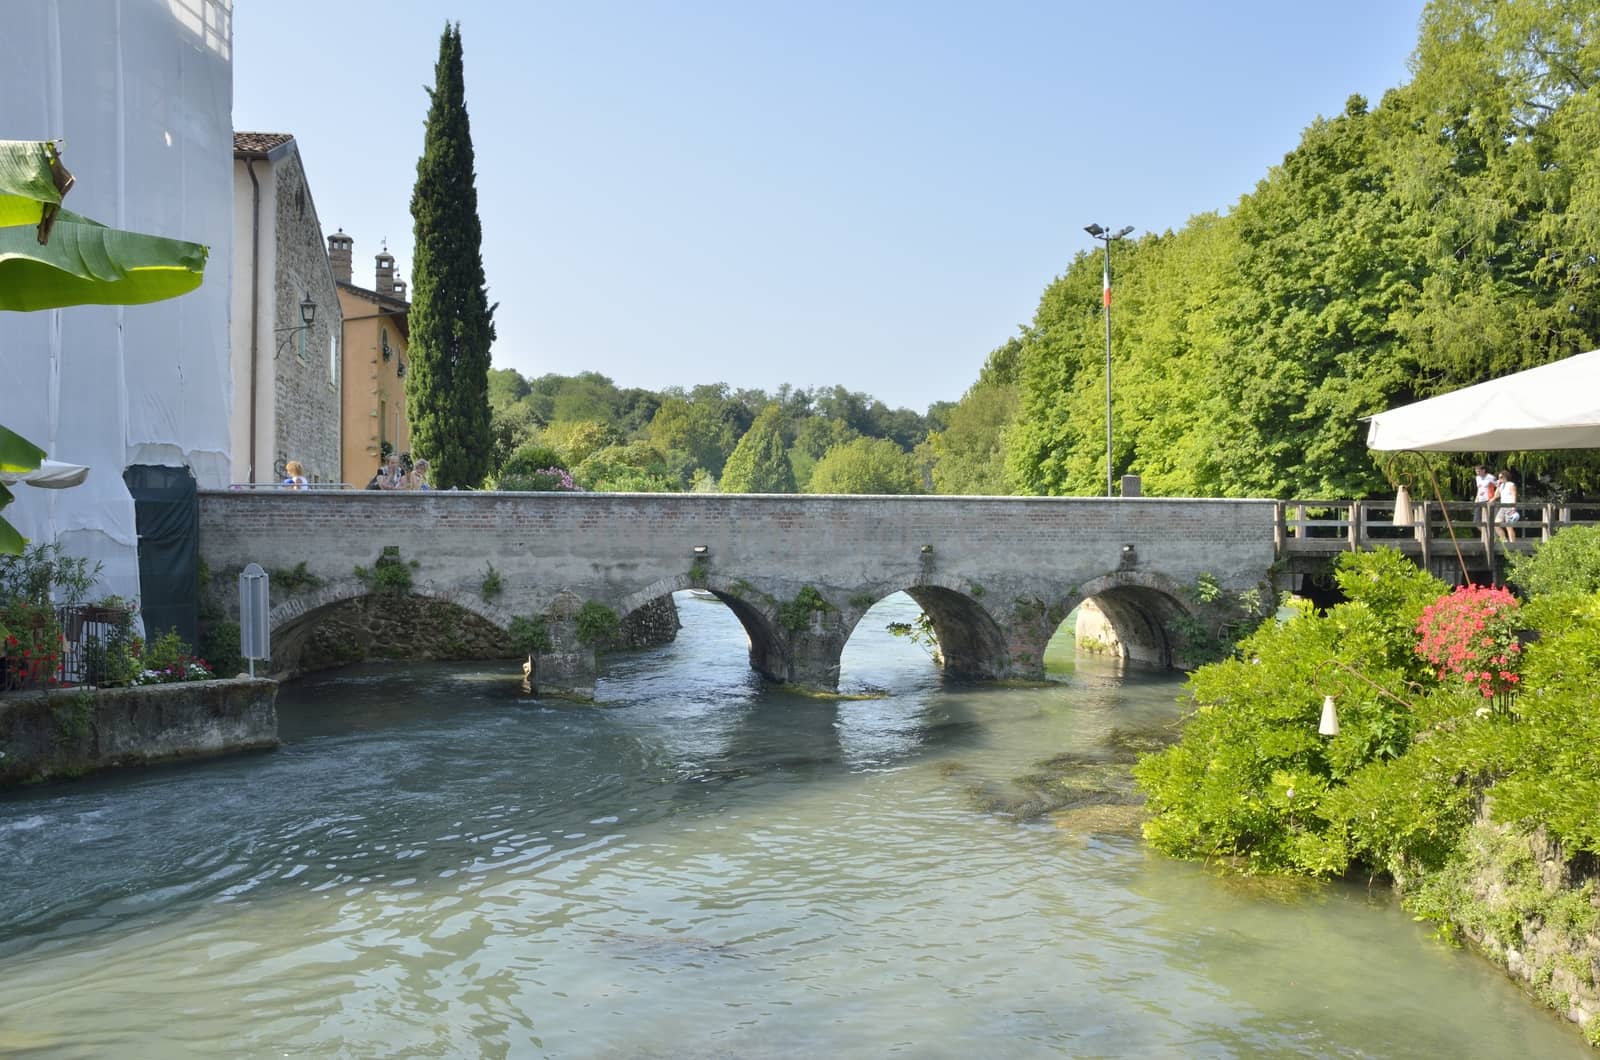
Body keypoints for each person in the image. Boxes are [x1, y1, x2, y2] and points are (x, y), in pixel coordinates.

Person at [1494, 469, 1519, 541]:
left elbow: (1514, 496)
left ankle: (1512, 544)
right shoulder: (1501, 486)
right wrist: (1498, 486)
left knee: (1509, 527)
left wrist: (1513, 508)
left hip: (1509, 506)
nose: (1500, 479)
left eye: (1501, 477)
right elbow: (1496, 496)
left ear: (1505, 476)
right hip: (1502, 507)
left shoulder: (1511, 484)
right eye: (1499, 477)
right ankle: (1504, 540)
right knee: (1496, 524)